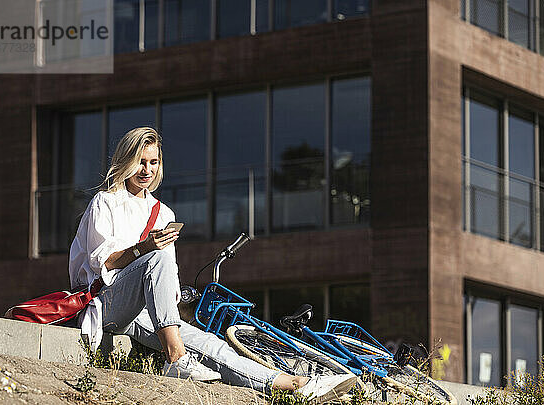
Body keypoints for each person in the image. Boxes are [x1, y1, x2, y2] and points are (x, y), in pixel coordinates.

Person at [68, 127, 357, 402]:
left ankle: (293, 384)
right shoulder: (105, 202)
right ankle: (176, 359)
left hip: (148, 310)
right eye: (140, 162)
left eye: (153, 162)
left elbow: (167, 273)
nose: (147, 170)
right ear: (127, 161)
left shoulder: (162, 212)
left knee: (211, 344)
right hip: (108, 303)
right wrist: (144, 248)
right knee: (155, 258)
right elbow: (103, 261)